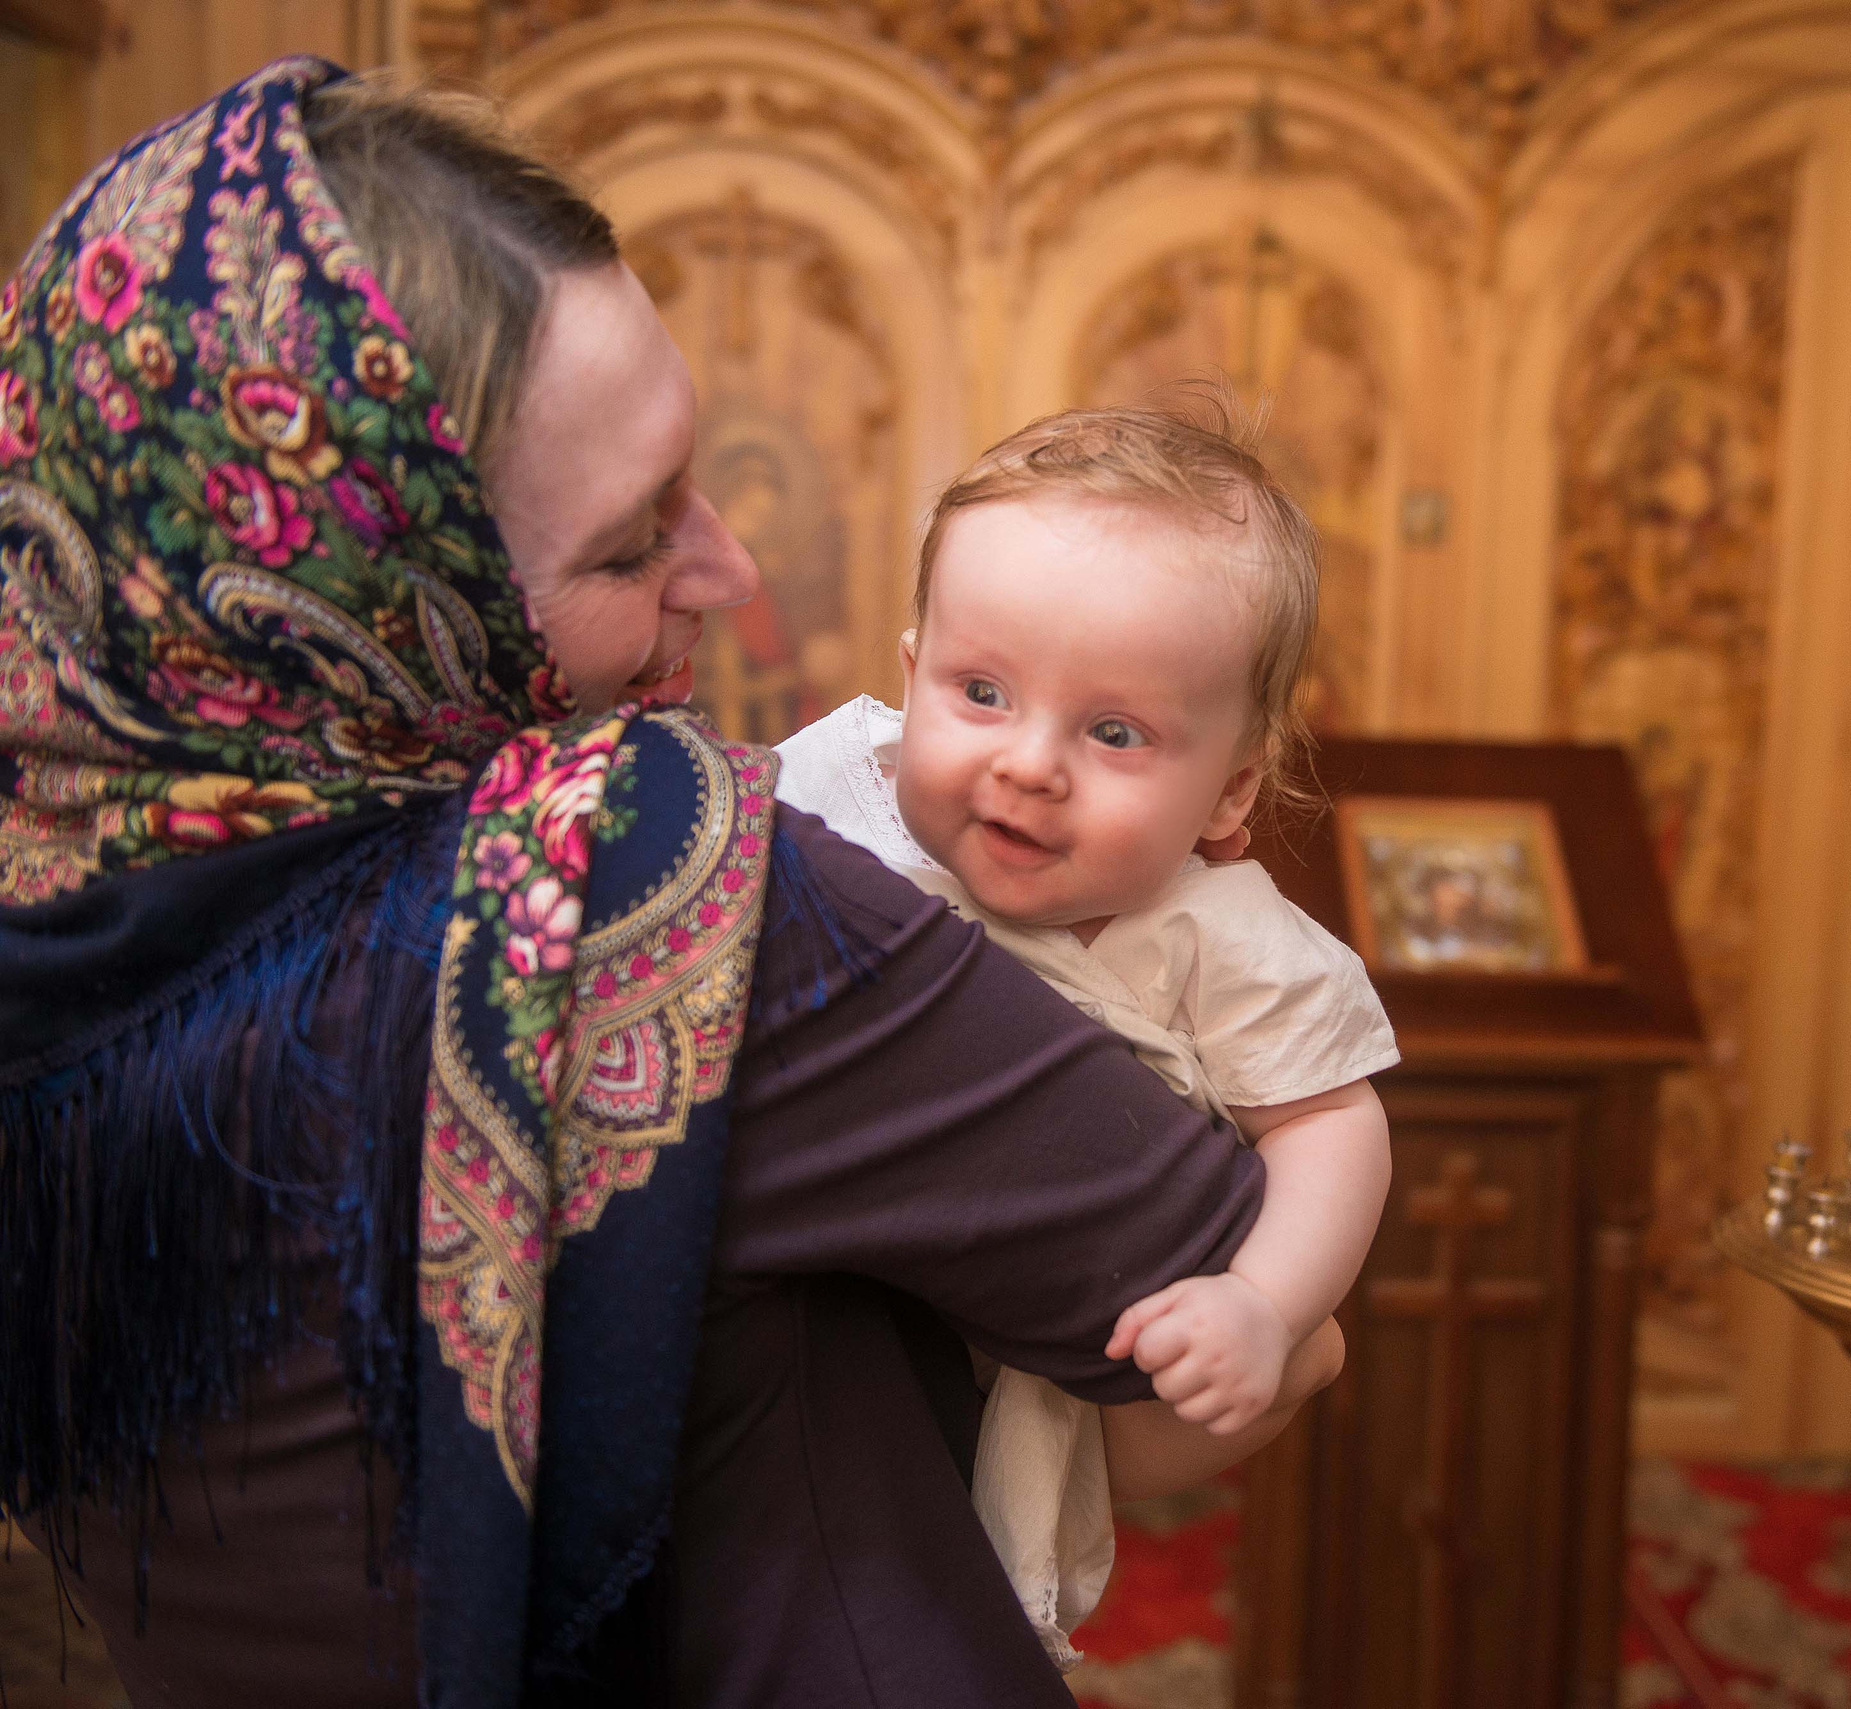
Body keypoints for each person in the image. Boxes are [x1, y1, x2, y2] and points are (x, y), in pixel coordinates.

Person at [0, 61, 1338, 1708]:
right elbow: (1276, 1340)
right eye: (632, 542)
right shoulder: (644, 886)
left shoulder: (49, 893)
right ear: (385, 595)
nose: (731, 563)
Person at [776, 405, 1396, 1664]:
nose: (1028, 763)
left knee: (1260, 1379)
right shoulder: (833, 801)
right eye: (981, 692)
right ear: (909, 676)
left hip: (1053, 1362)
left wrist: (1263, 1304)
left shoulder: (1223, 938)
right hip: (820, 1306)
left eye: (1114, 732)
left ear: (1230, 787)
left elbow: (1332, 1122)